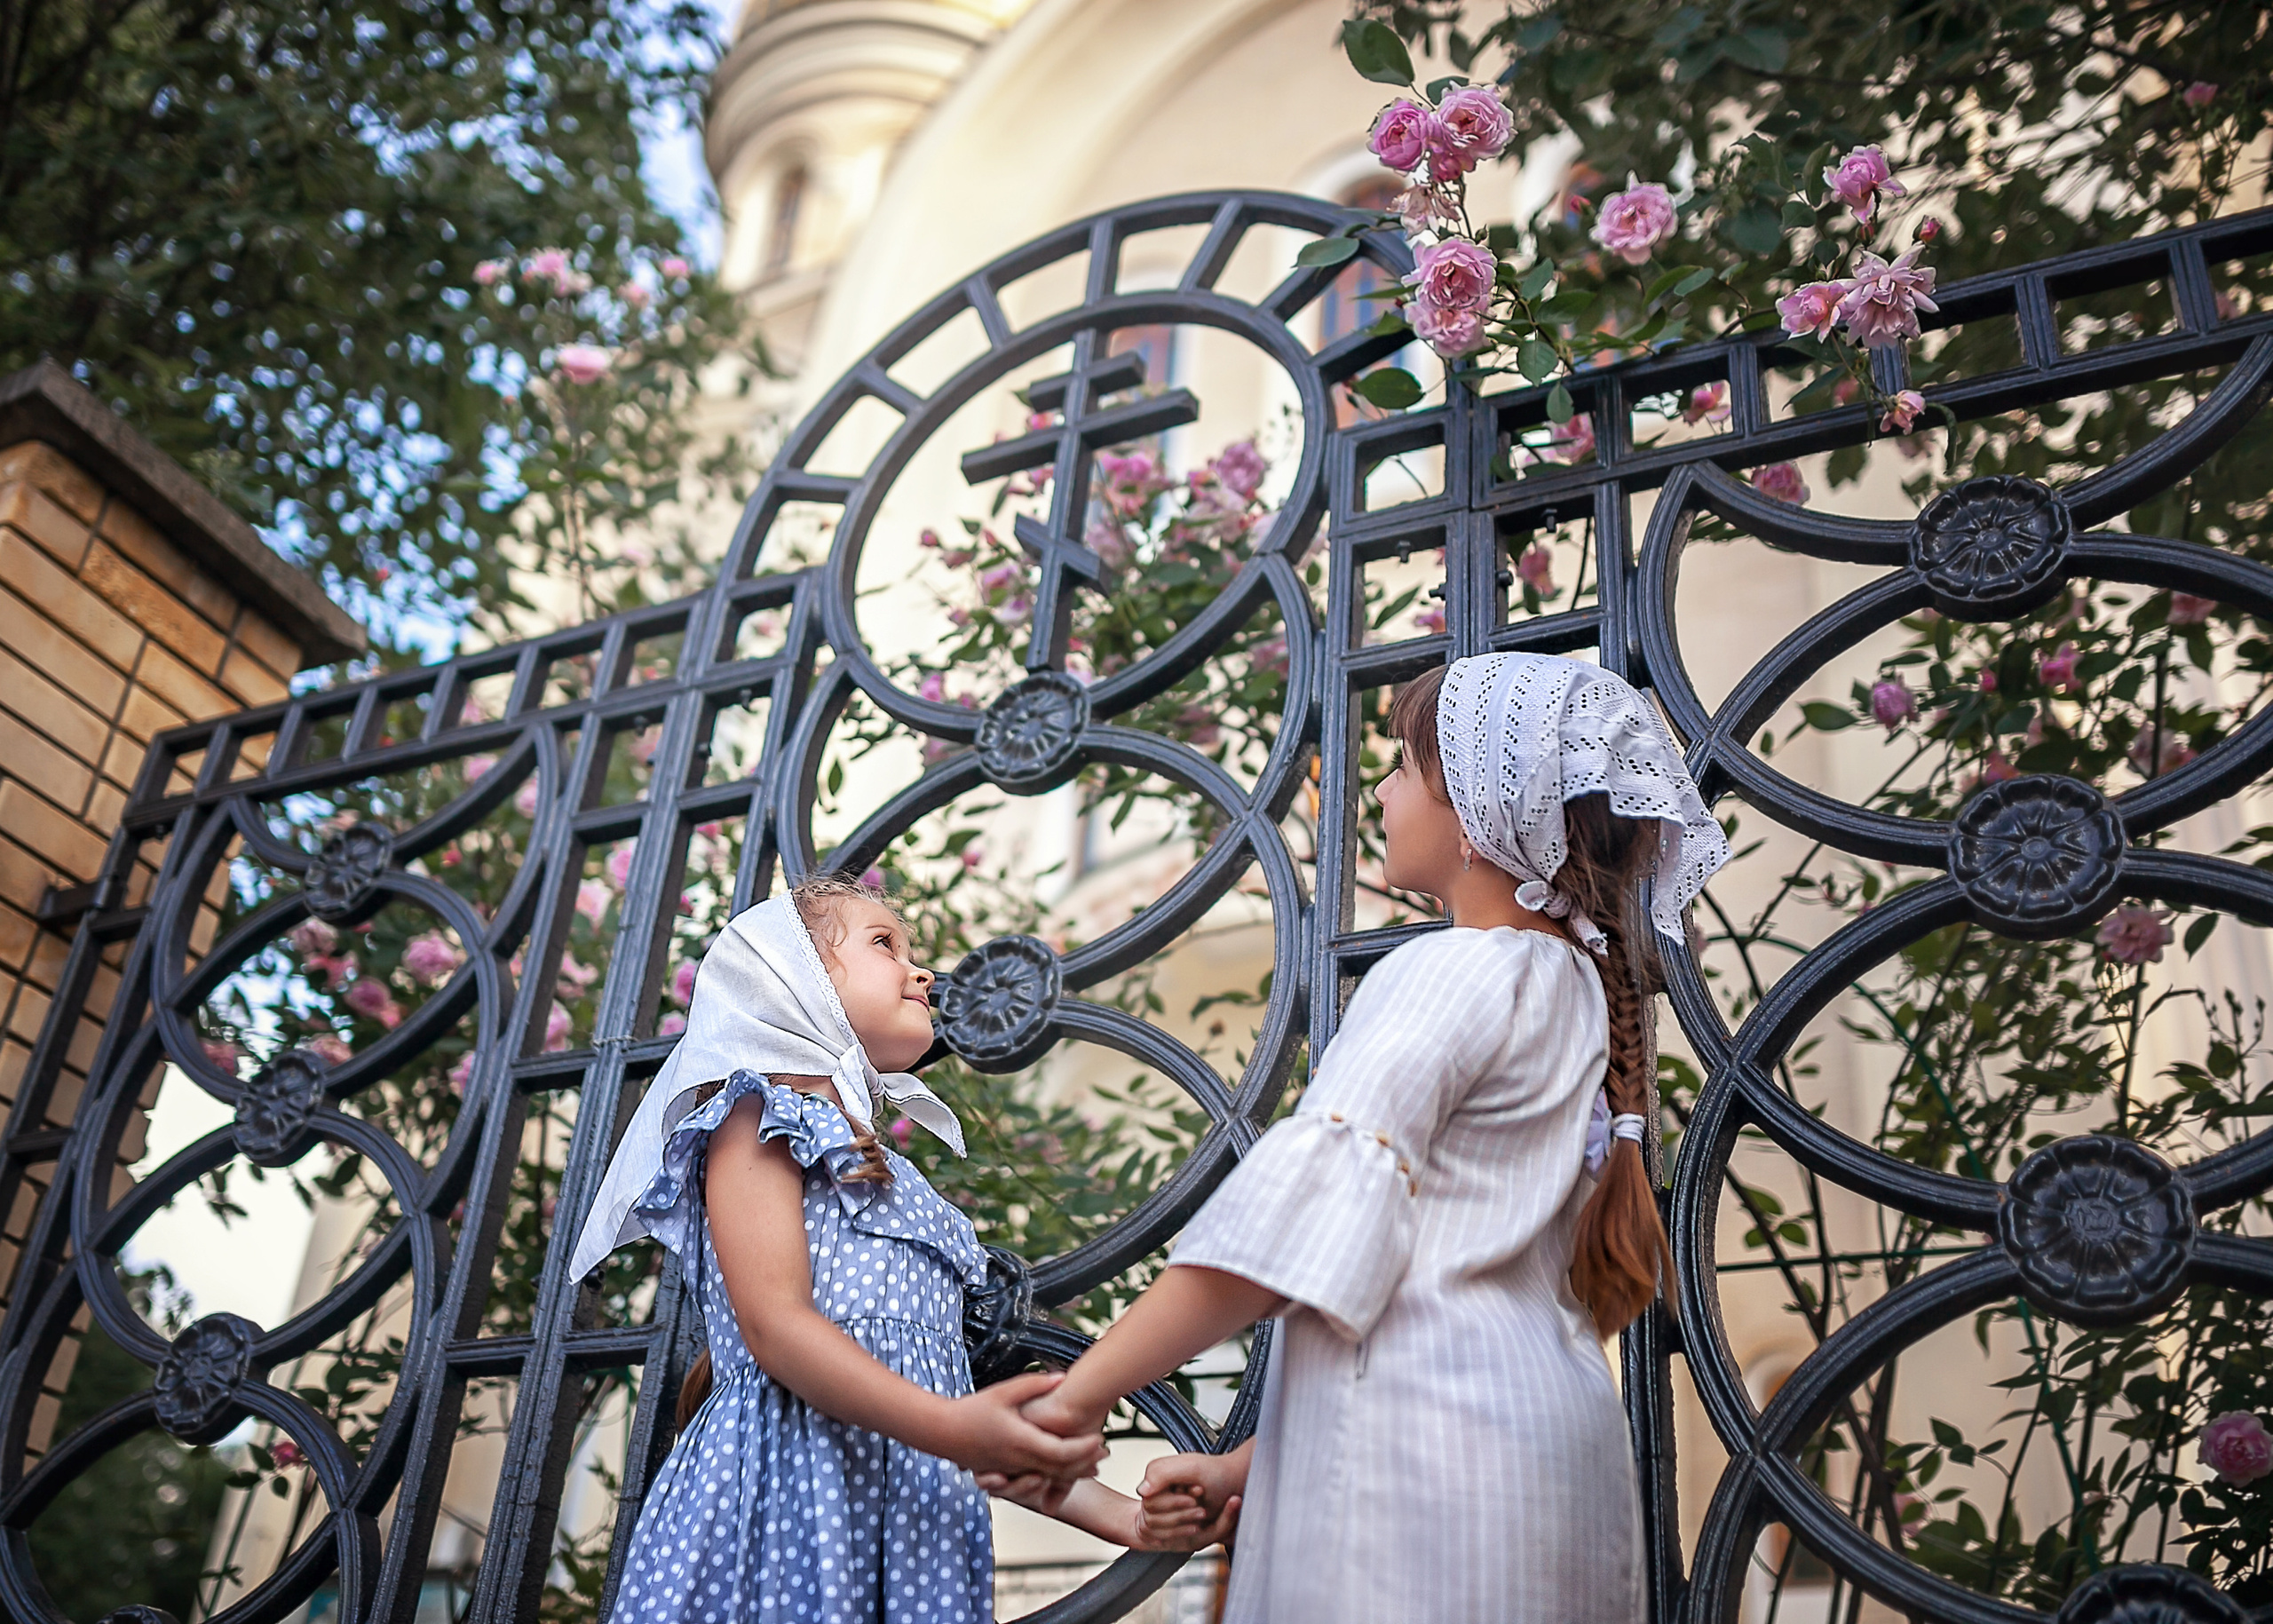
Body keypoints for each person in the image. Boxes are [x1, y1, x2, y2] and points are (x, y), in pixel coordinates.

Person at [1006, 653, 1730, 1623]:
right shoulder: (1580, 1002)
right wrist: (1244, 1469)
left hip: (1418, 1460)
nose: (1380, 789)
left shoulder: (1454, 970)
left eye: (1401, 765)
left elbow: (1309, 1211)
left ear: (1478, 811)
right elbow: (1459, 1285)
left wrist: (1083, 1389)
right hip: (1546, 1455)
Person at [565, 875, 1105, 1623]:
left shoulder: (907, 1185)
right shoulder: (757, 1115)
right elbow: (776, 1324)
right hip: (788, 1497)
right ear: (795, 980)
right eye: (886, 943)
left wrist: (1130, 1518)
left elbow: (957, 1405)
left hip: (916, 1517)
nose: (923, 971)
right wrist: (955, 1430)